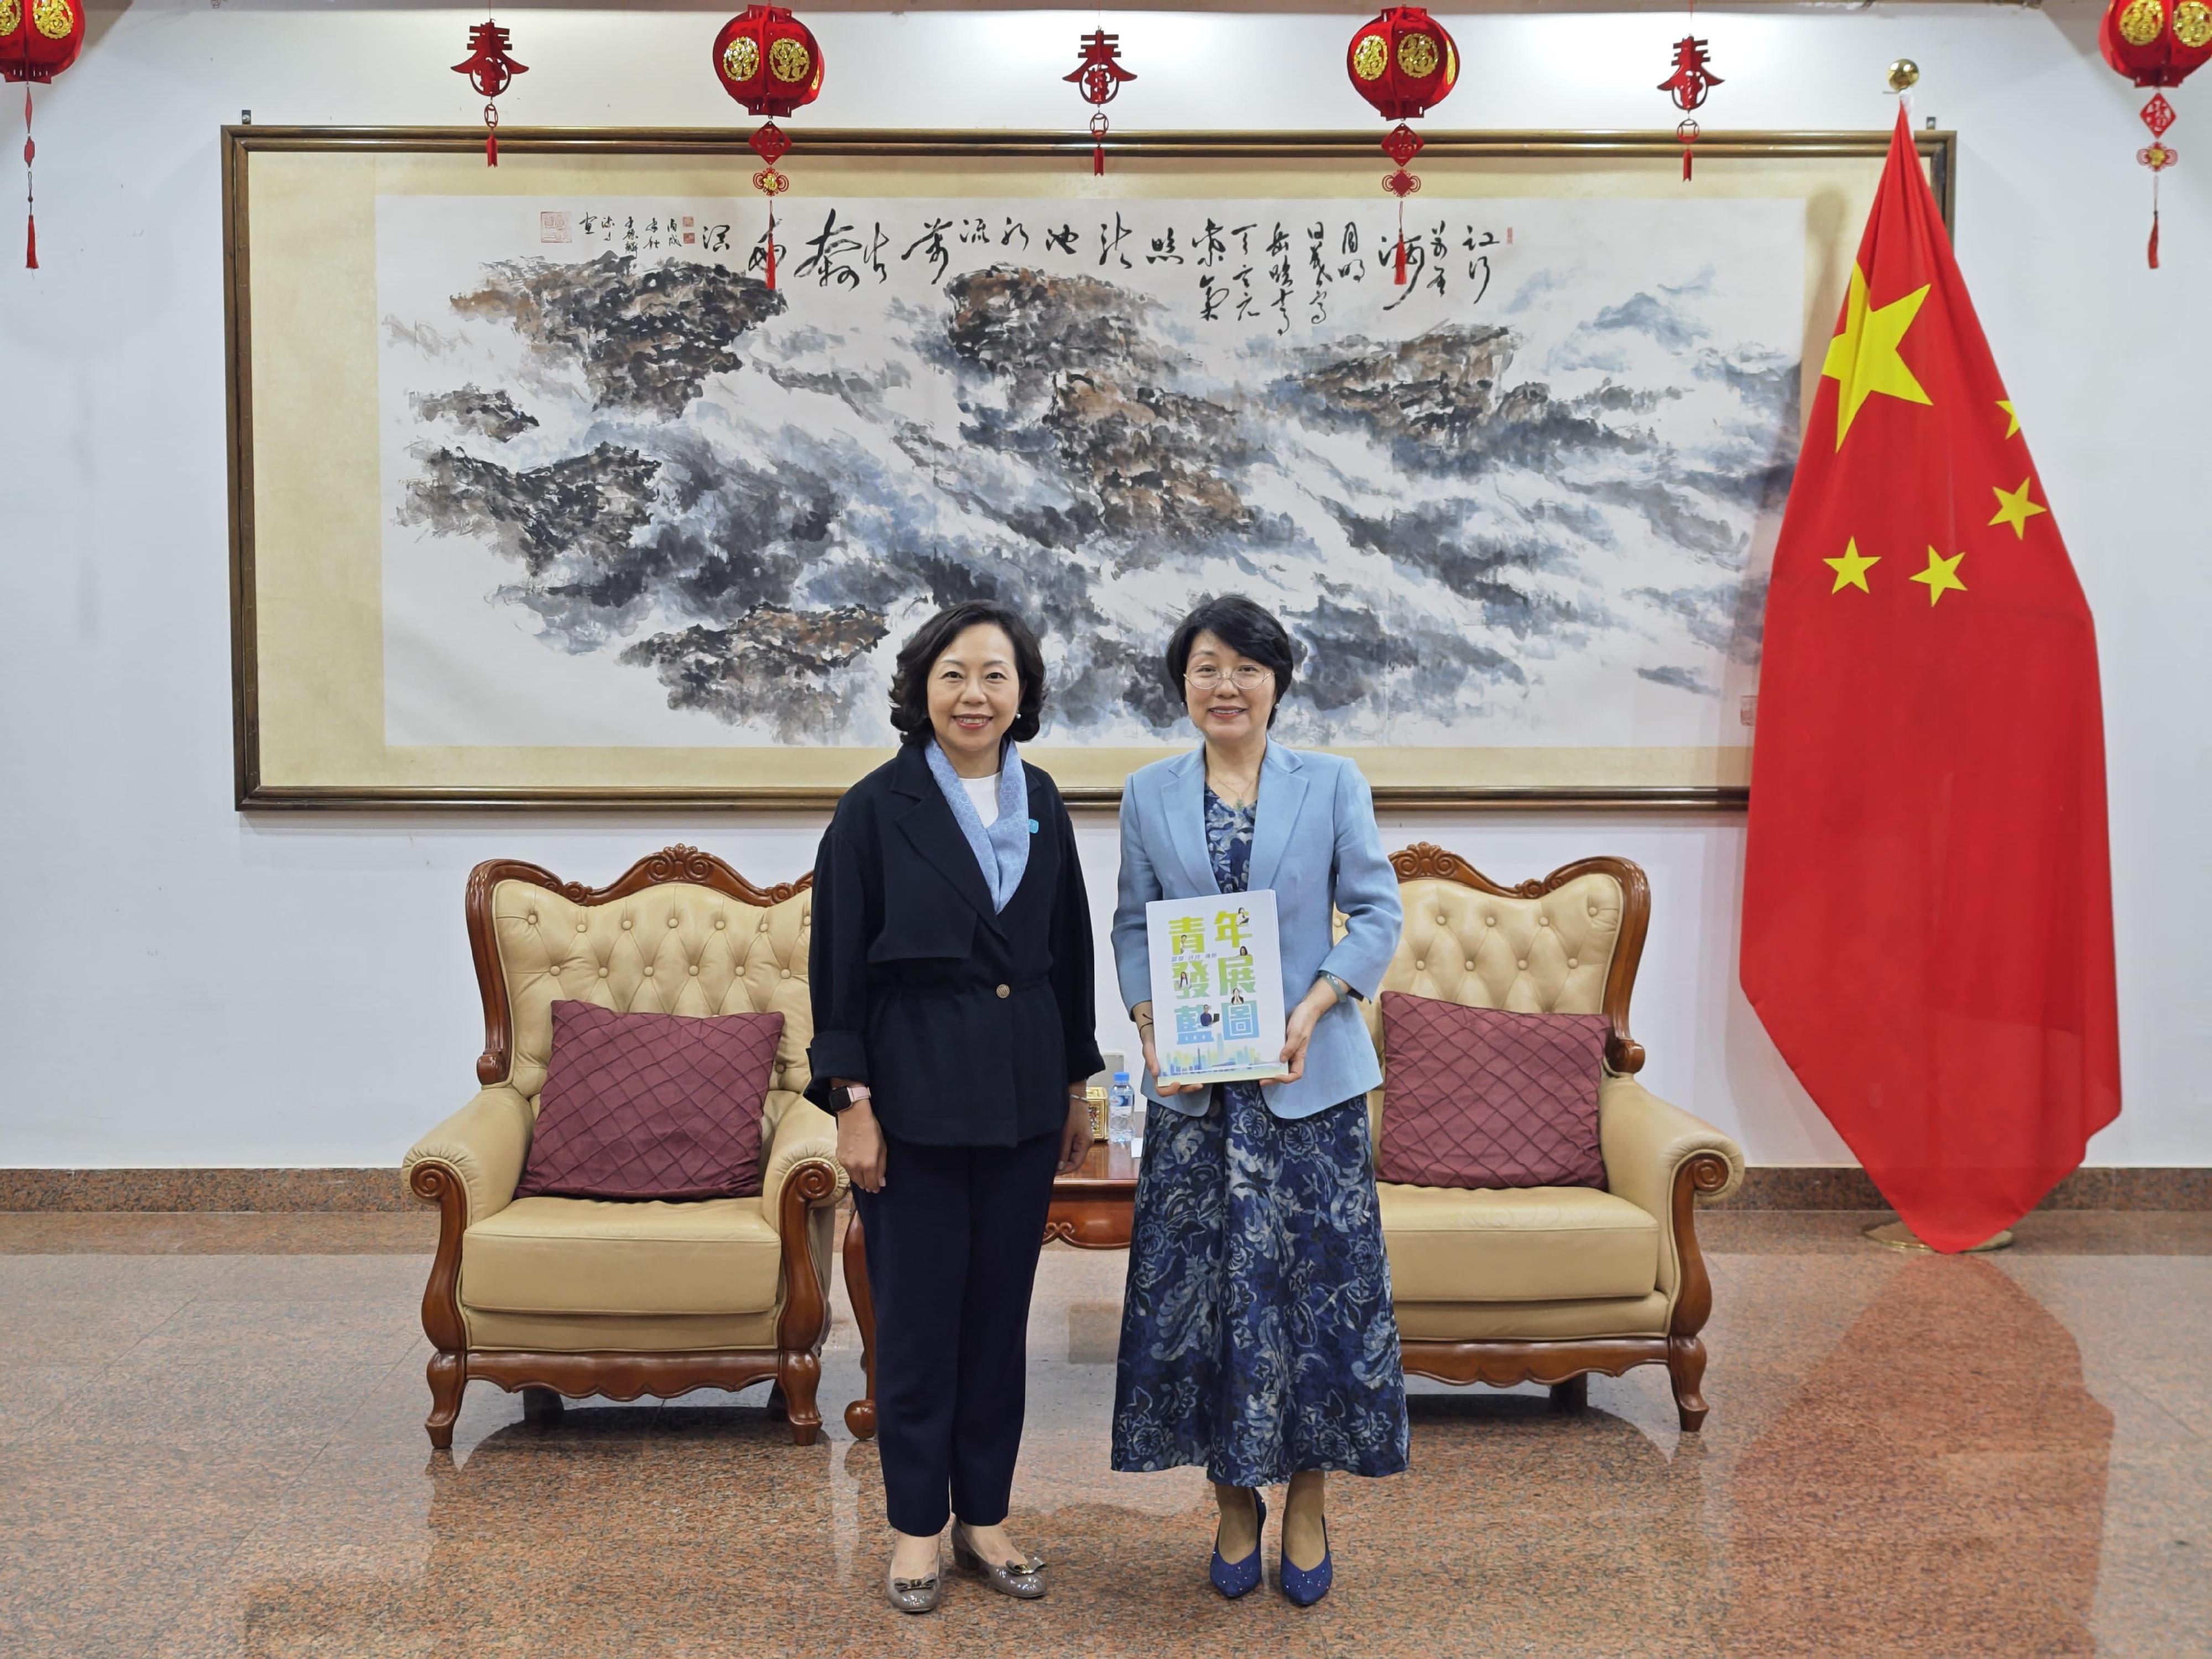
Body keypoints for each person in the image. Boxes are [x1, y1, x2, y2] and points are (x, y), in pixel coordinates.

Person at [1109, 594, 1408, 1608]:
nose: (1224, 686)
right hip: (1200, 1100)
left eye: (1245, 668)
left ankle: (1312, 1503)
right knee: (1207, 1311)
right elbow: (1135, 929)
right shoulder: (1148, 794)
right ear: (1181, 685)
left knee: (1317, 1307)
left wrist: (1317, 1006)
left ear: (1277, 682)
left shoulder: (1331, 784)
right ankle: (1234, 1503)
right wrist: (1153, 1032)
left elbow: (1375, 912)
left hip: (1305, 1086)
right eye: (1204, 667)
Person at [806, 601, 1102, 1615]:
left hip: (1023, 1103)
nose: (974, 695)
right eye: (953, 675)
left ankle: (986, 1517)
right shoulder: (873, 809)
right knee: (922, 1326)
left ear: (1023, 695)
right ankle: (916, 1530)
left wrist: (1076, 1087)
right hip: (915, 1106)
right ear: (921, 690)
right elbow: (837, 967)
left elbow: (1069, 951)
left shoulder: (1045, 800)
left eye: (995, 676)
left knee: (996, 1323)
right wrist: (852, 1102)